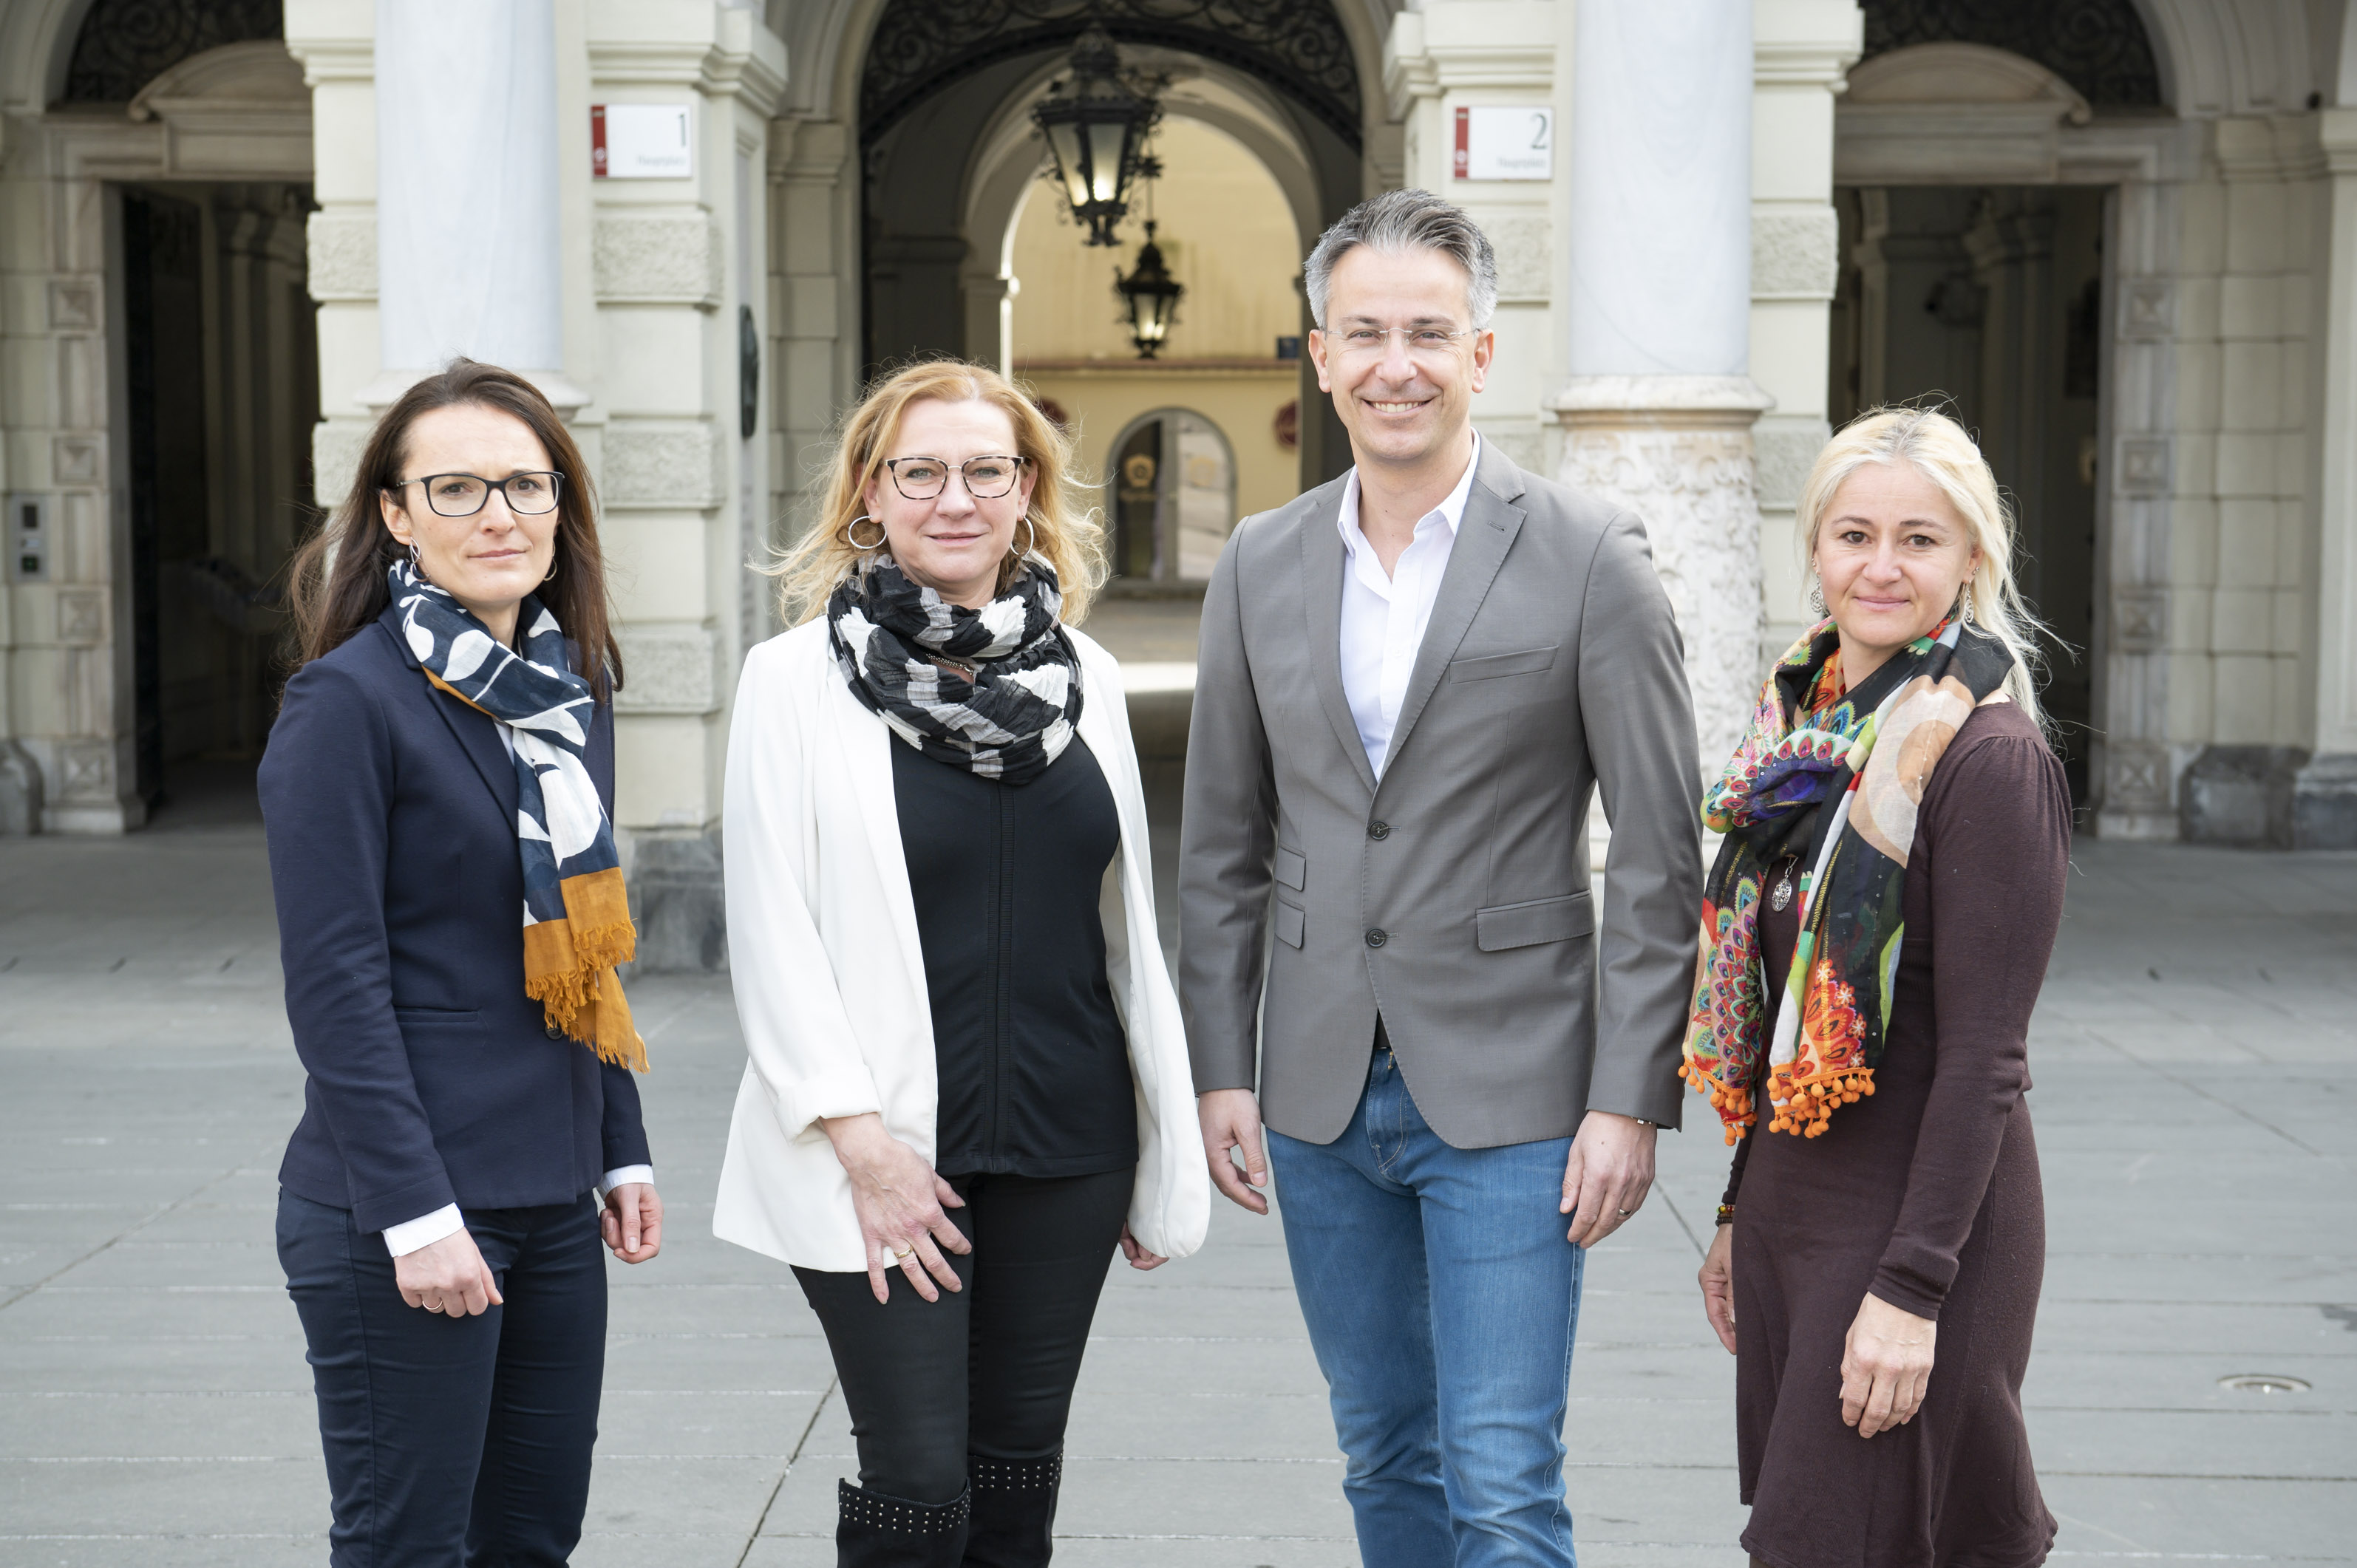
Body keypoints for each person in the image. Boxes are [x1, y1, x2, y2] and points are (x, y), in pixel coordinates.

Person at [1180, 188, 1704, 1567]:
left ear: (1481, 352)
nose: (1393, 363)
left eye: (1427, 332)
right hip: (1314, 1087)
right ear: (1318, 356)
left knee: (1501, 1479)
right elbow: (1222, 841)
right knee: (1383, 1453)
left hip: (1519, 1090)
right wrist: (1219, 1068)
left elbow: (1658, 856)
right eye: (1364, 333)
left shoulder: (1593, 557)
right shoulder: (1259, 562)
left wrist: (1627, 1099)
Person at [712, 359, 1210, 1567]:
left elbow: (1122, 929)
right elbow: (769, 926)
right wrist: (861, 1143)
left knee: (1013, 1483)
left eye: (986, 469)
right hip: (882, 1144)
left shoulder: (1079, 676)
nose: (954, 498)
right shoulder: (792, 680)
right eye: (919, 471)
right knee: (918, 1486)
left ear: (1027, 488)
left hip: (1068, 1139)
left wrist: (1156, 1142)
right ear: (868, 496)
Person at [262, 358, 663, 1563]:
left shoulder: (567, 689)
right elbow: (335, 984)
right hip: (415, 1200)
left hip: (550, 1187)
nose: (498, 514)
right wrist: (415, 1214)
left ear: (560, 507)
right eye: (455, 487)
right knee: (405, 1544)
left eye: (525, 485)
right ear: (393, 514)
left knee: (533, 1537)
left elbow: (583, 941)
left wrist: (618, 1138)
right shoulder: (347, 703)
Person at [1685, 406, 2070, 1568]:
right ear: (1814, 548)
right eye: (1855, 533)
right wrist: (1739, 1207)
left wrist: (1911, 1287)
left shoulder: (1987, 758)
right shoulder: (1803, 732)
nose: (1882, 565)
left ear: (1971, 561)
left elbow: (1983, 1058)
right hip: (1801, 1206)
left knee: (1842, 1539)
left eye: (1919, 539)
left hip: (1918, 1223)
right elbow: (1775, 1012)